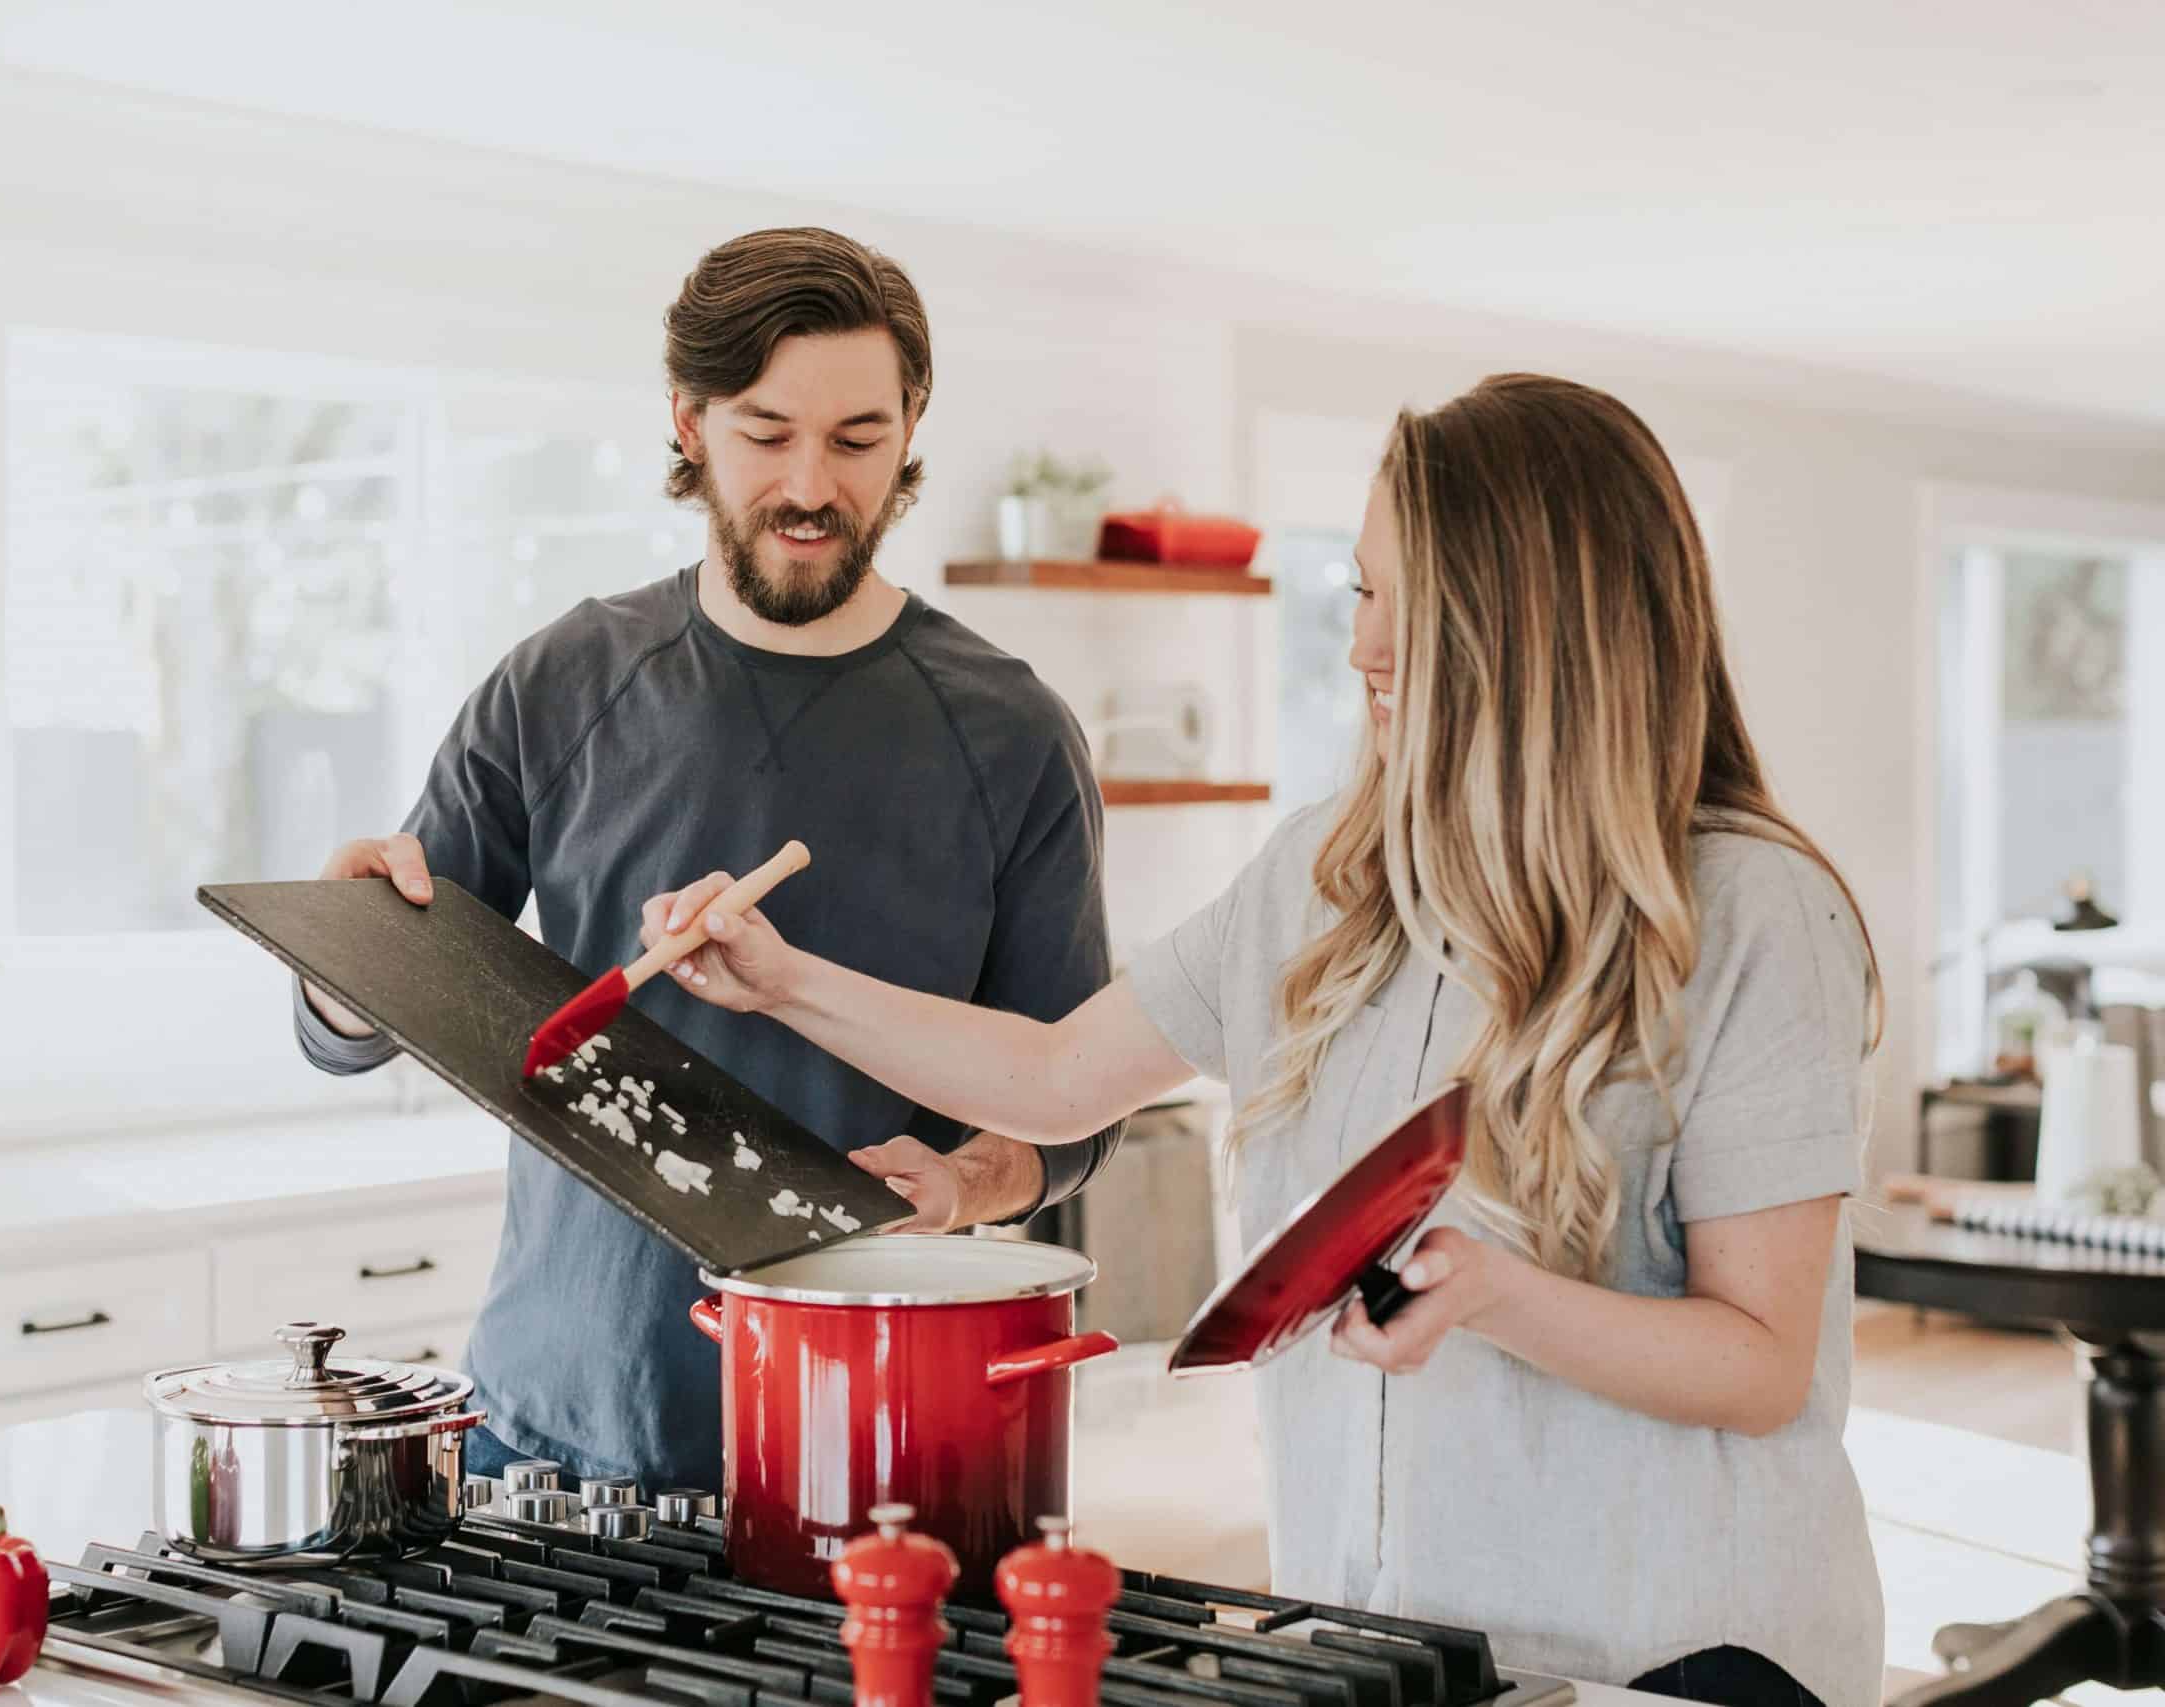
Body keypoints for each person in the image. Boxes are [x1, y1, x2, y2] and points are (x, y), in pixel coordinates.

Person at [645, 374, 1884, 1706]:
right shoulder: (1324, 879)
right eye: (1359, 591)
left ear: (1543, 626)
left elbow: (1762, 1361)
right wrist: (782, 981)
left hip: (1678, 1658)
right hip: (1390, 1652)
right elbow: (1059, 1074)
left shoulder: (1754, 909)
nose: (1366, 646)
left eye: (1415, 602)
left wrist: (1498, 1292)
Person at [292, 226, 1123, 1495]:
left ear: (910, 429)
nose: (810, 484)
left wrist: (966, 1182)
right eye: (765, 432)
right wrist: (341, 963)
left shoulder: (1011, 735)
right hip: (549, 1430)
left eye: (856, 440)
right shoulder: (560, 682)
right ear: (688, 420)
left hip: (876, 1440)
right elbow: (372, 1007)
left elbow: (1074, 1110)